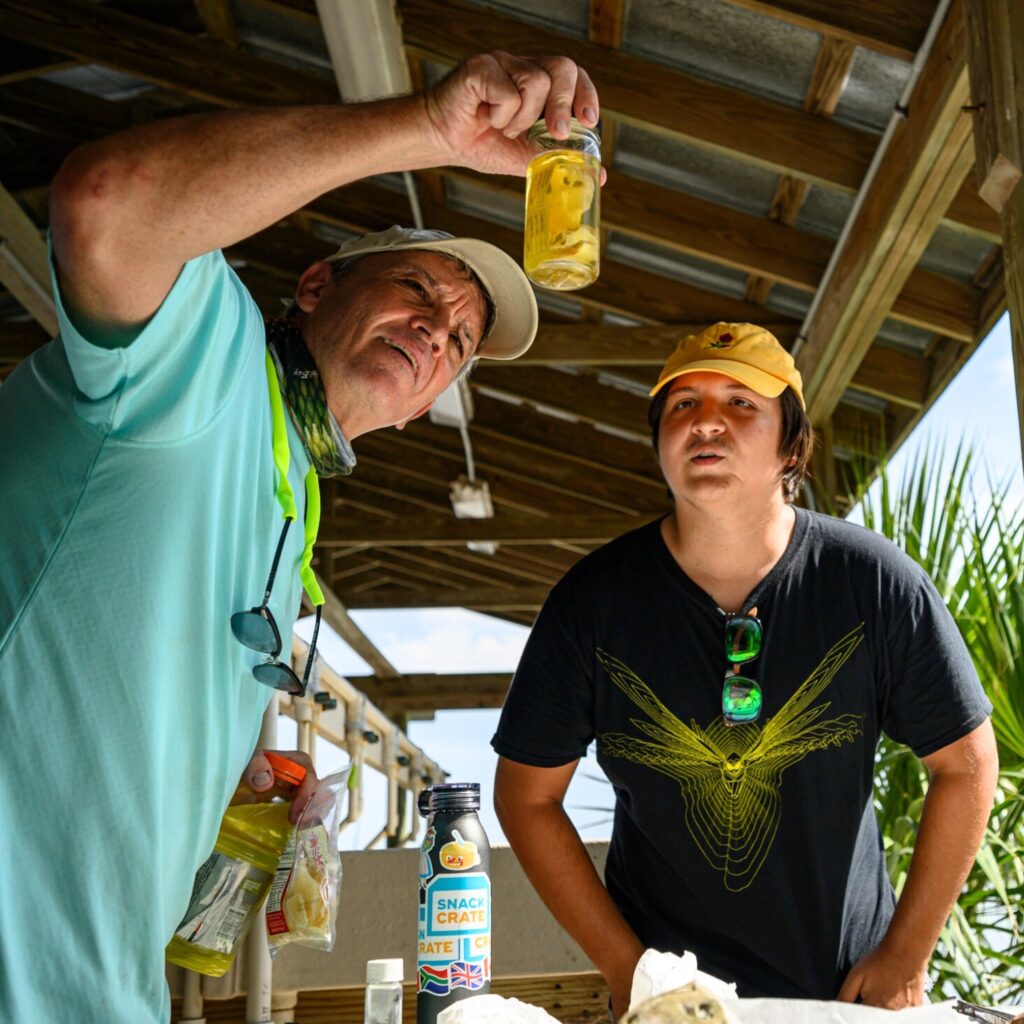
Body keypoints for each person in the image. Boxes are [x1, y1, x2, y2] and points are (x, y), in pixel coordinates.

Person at [0, 52, 600, 1024]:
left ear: (428, 409)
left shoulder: (294, 503)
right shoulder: (209, 354)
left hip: (98, 986)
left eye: (458, 343)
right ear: (317, 285)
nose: (437, 332)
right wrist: (427, 130)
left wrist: (225, 768)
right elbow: (106, 201)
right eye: (417, 289)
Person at [492, 322, 999, 1016]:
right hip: (675, 1004)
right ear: (659, 442)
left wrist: (907, 953)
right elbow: (527, 796)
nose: (707, 423)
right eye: (682, 405)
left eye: (740, 404)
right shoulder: (591, 603)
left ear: (791, 444)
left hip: (850, 997)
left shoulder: (874, 584)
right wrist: (631, 970)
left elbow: (966, 765)